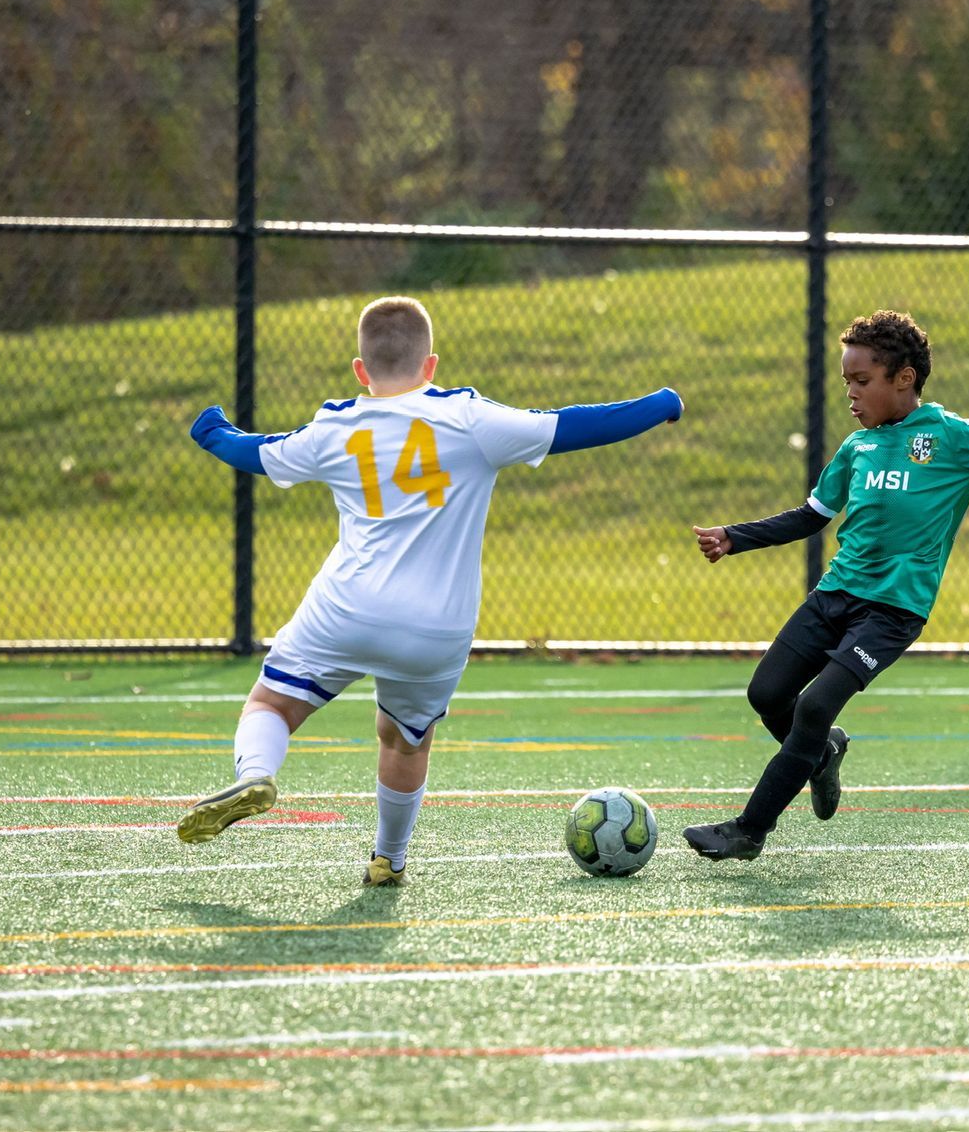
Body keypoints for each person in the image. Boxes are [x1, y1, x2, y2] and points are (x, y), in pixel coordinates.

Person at [179, 296, 682, 885]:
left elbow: (254, 452)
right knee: (405, 740)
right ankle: (388, 859)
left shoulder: (336, 423)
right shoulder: (470, 419)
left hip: (346, 610)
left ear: (361, 371)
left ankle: (258, 772)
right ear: (432, 364)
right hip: (435, 628)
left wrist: (210, 428)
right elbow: (574, 425)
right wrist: (660, 404)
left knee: (270, 705)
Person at [682, 309, 969, 861]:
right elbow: (811, 516)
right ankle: (822, 758)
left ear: (904, 378)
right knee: (766, 695)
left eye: (862, 381)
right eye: (846, 383)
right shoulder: (859, 447)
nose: (851, 395)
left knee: (812, 710)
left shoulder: (949, 435)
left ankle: (749, 830)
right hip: (835, 594)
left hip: (892, 610)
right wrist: (735, 537)